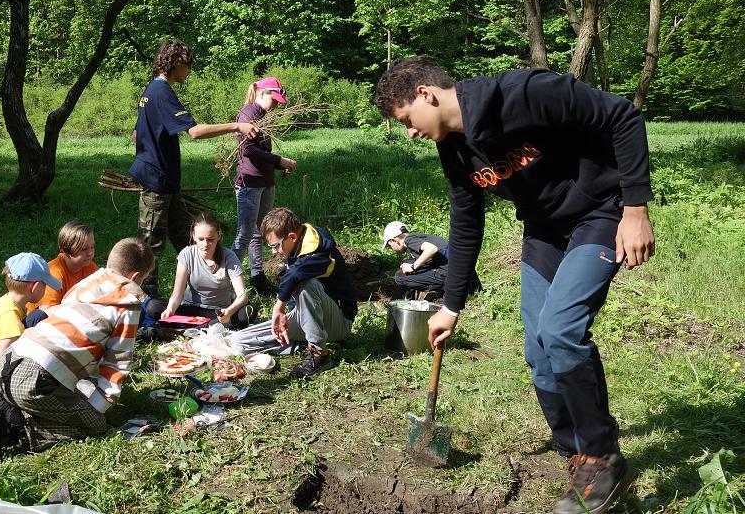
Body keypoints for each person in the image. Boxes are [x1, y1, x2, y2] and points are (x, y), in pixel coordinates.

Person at [374, 57, 655, 514]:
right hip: (544, 231)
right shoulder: (454, 149)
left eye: (406, 120)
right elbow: (466, 223)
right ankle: (577, 455)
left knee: (562, 331)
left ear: (426, 93)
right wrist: (451, 305)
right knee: (538, 351)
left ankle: (603, 458)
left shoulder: (523, 93)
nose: (409, 132)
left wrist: (635, 209)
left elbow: (622, 115)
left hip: (599, 212)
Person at [0, 238, 155, 460]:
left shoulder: (88, 282)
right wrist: (100, 406)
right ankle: (14, 425)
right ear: (135, 278)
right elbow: (117, 362)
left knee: (80, 392)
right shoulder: (128, 305)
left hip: (5, 364)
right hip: (33, 380)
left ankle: (2, 401)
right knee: (96, 424)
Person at [129, 39, 258, 296]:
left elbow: (136, 134)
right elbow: (195, 132)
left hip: (166, 180)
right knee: (150, 246)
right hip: (156, 181)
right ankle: (144, 304)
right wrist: (236, 126)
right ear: (175, 62)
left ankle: (204, 288)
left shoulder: (150, 91)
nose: (188, 71)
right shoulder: (162, 93)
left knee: (186, 237)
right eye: (187, 65)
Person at [229, 208, 357, 378]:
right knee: (239, 341)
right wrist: (285, 319)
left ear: (292, 237)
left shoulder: (319, 250)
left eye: (275, 246)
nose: (274, 252)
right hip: (309, 317)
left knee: (305, 284)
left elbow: (296, 275)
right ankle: (301, 343)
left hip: (338, 321)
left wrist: (278, 308)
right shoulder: (296, 241)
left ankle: (320, 354)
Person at [231, 77, 297, 295]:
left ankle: (257, 276)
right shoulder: (248, 114)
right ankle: (229, 280)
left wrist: (278, 165)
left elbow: (262, 153)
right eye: (274, 99)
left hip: (265, 181)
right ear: (262, 94)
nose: (277, 104)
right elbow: (247, 150)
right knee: (245, 233)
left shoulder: (262, 115)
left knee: (260, 232)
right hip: (249, 183)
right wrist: (279, 160)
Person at [0, 252, 62, 389]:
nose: (46, 288)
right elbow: (1, 359)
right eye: (45, 285)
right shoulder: (9, 315)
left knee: (37, 316)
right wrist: (1, 387)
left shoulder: (9, 302)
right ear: (35, 287)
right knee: (38, 317)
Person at [145, 213, 253, 331]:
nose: (205, 244)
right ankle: (208, 327)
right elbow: (177, 294)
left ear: (218, 236)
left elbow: (243, 296)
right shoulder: (186, 254)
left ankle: (196, 327)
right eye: (201, 239)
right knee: (152, 307)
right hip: (189, 310)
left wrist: (229, 311)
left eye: (210, 239)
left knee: (247, 313)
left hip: (218, 312)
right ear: (193, 236)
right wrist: (171, 308)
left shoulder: (229, 257)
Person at [381, 220, 481, 300]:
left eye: (390, 246)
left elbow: (432, 249)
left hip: (453, 276)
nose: (392, 249)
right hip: (464, 270)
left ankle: (446, 292)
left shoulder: (408, 241)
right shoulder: (418, 237)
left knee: (400, 277)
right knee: (406, 263)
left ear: (394, 240)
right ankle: (465, 289)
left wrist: (412, 267)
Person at [24, 221, 98, 326]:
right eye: (84, 249)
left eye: (92, 247)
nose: (90, 252)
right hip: (41, 324)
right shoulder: (55, 272)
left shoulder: (88, 265)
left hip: (69, 317)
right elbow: (45, 311)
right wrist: (79, 307)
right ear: (66, 251)